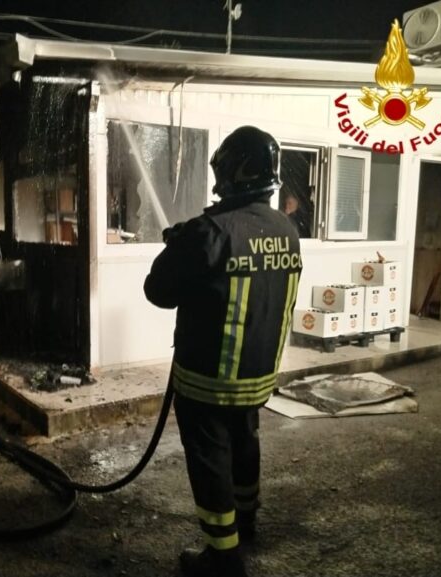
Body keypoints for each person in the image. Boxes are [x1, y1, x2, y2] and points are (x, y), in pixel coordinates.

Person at [144, 125, 302, 577]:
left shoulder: (208, 233)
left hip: (208, 378)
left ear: (236, 173)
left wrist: (179, 246)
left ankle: (222, 557)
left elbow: (158, 291)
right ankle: (246, 521)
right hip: (258, 377)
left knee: (210, 458)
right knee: (245, 443)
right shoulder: (287, 230)